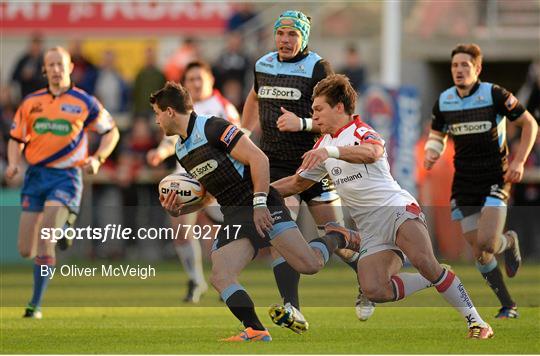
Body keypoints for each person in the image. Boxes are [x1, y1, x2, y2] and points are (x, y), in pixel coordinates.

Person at [273, 73, 495, 339]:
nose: (314, 116)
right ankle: (432, 278)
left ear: (339, 108)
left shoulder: (358, 131)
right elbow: (297, 183)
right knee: (374, 290)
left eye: (319, 109)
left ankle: (477, 323)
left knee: (424, 260)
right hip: (370, 228)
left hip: (396, 209)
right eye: (313, 111)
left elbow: (373, 152)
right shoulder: (323, 144)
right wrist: (256, 192)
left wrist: (332, 153)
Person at [150, 81, 360, 341]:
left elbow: (259, 159)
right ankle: (256, 330)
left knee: (310, 265)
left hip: (262, 204)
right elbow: (208, 194)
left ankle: (339, 236)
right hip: (234, 214)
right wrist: (180, 209)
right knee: (221, 275)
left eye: (157, 113)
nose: (157, 121)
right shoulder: (182, 149)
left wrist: (260, 203)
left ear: (170, 111)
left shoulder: (213, 127)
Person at [241, 10, 372, 327]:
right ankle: (292, 307)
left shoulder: (317, 67)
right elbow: (254, 98)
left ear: (304, 38)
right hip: (275, 165)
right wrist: (243, 135)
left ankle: (369, 285)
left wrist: (300, 123)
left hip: (314, 162)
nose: (285, 40)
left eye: (293, 35)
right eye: (281, 33)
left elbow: (336, 118)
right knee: (280, 236)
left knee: (336, 236)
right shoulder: (263, 65)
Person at [424, 43, 538, 319]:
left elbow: (530, 124)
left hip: (495, 178)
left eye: (465, 65)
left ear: (477, 68)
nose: (459, 70)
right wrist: (432, 152)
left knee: (488, 242)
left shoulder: (494, 94)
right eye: (455, 65)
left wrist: (520, 161)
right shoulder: (445, 100)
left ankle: (508, 241)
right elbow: (437, 134)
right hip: (463, 182)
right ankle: (508, 305)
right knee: (480, 253)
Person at [5, 46, 120, 319]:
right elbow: (16, 139)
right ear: (45, 70)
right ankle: (66, 225)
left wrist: (98, 158)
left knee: (46, 237)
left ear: (70, 68)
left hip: (66, 176)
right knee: (25, 249)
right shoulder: (31, 102)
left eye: (61, 64)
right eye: (51, 65)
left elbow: (111, 131)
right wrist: (12, 163)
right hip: (35, 175)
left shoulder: (84, 102)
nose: (56, 69)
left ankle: (35, 305)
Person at [147, 60, 240, 303]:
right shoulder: (178, 109)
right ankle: (195, 280)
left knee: (215, 236)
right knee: (180, 230)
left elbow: (239, 140)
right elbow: (171, 140)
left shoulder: (223, 108)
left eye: (200, 78)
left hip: (218, 178)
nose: (196, 83)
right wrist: (160, 151)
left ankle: (225, 280)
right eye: (191, 80)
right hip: (186, 178)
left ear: (210, 80)